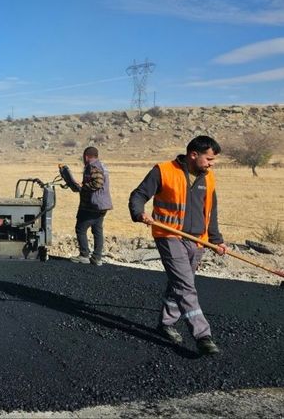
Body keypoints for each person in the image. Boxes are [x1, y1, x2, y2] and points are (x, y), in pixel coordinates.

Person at [129, 135, 227, 356]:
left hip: (197, 240)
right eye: (209, 159)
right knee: (185, 285)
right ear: (194, 154)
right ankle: (203, 336)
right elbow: (139, 195)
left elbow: (211, 211)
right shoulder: (163, 171)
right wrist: (138, 213)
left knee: (182, 281)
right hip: (168, 235)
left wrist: (216, 240)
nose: (212, 164)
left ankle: (166, 323)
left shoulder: (208, 178)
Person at [68, 146, 113, 266]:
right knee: (97, 230)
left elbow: (97, 182)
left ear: (86, 157)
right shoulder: (101, 165)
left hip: (92, 206)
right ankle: (97, 258)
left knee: (80, 229)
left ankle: (84, 255)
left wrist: (83, 186)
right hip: (102, 205)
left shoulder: (93, 166)